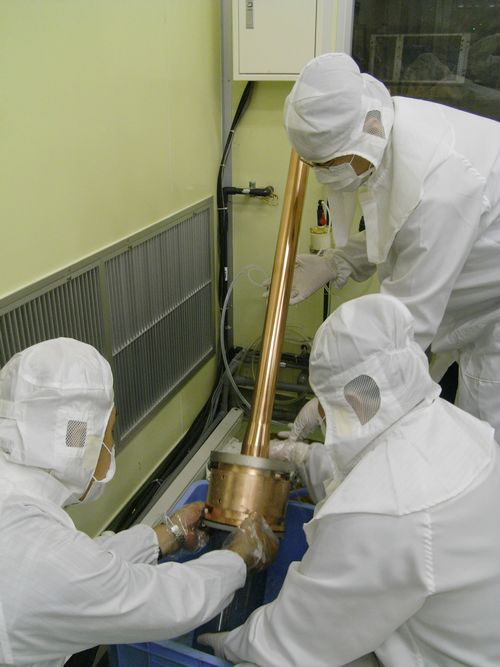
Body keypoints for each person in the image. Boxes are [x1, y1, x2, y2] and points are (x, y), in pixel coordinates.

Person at [198, 293, 500, 667]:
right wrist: (303, 456)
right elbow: (376, 470)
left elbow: (293, 641)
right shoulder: (456, 429)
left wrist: (225, 644)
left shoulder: (379, 514)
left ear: (346, 399)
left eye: (324, 402)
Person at [0, 337, 278, 667]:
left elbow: (85, 568)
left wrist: (167, 533)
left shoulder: (19, 513)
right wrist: (239, 556)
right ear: (80, 440)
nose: (110, 444)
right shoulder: (40, 557)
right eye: (109, 430)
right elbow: (161, 602)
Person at [281, 51, 500, 440]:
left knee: (482, 444)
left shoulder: (443, 191)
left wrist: (335, 408)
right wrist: (336, 262)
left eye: (327, 165)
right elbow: (398, 222)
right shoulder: (387, 127)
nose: (322, 176)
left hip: (491, 322)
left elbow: (404, 335)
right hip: (474, 304)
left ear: (361, 139)